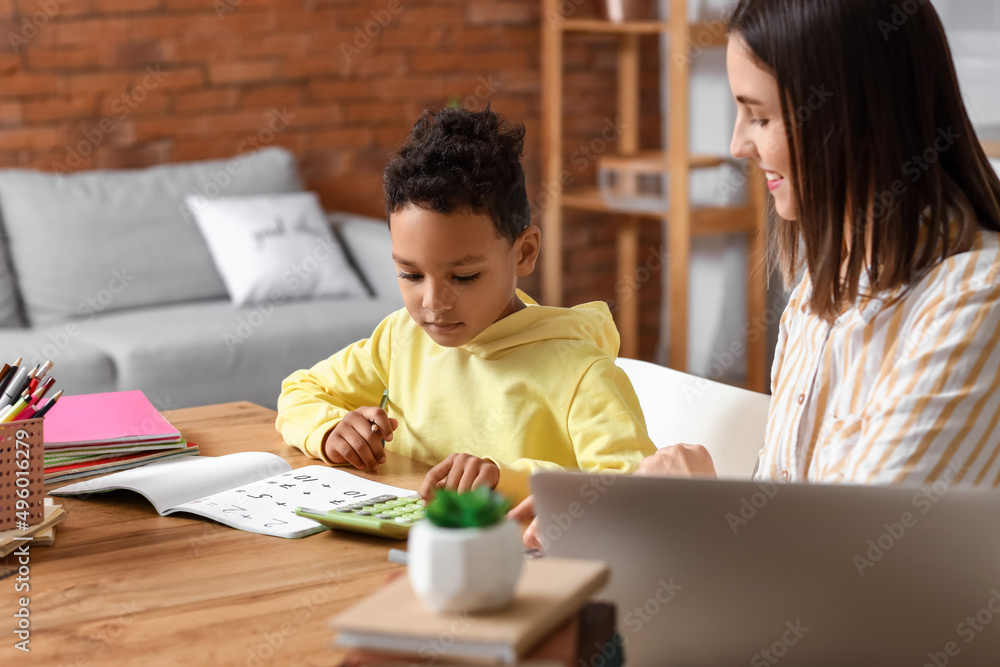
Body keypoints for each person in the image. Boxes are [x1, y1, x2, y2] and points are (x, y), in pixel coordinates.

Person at [514, 0, 1000, 545]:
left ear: (850, 117)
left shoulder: (978, 299)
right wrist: (625, 512)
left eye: (761, 116)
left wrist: (696, 505)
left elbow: (862, 568)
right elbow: (785, 529)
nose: (737, 144)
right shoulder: (819, 295)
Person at [276, 105, 656, 504]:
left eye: (464, 277)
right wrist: (331, 429)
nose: (433, 303)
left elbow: (635, 492)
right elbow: (300, 391)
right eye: (411, 275)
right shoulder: (399, 339)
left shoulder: (581, 375)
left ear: (524, 252)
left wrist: (503, 478)